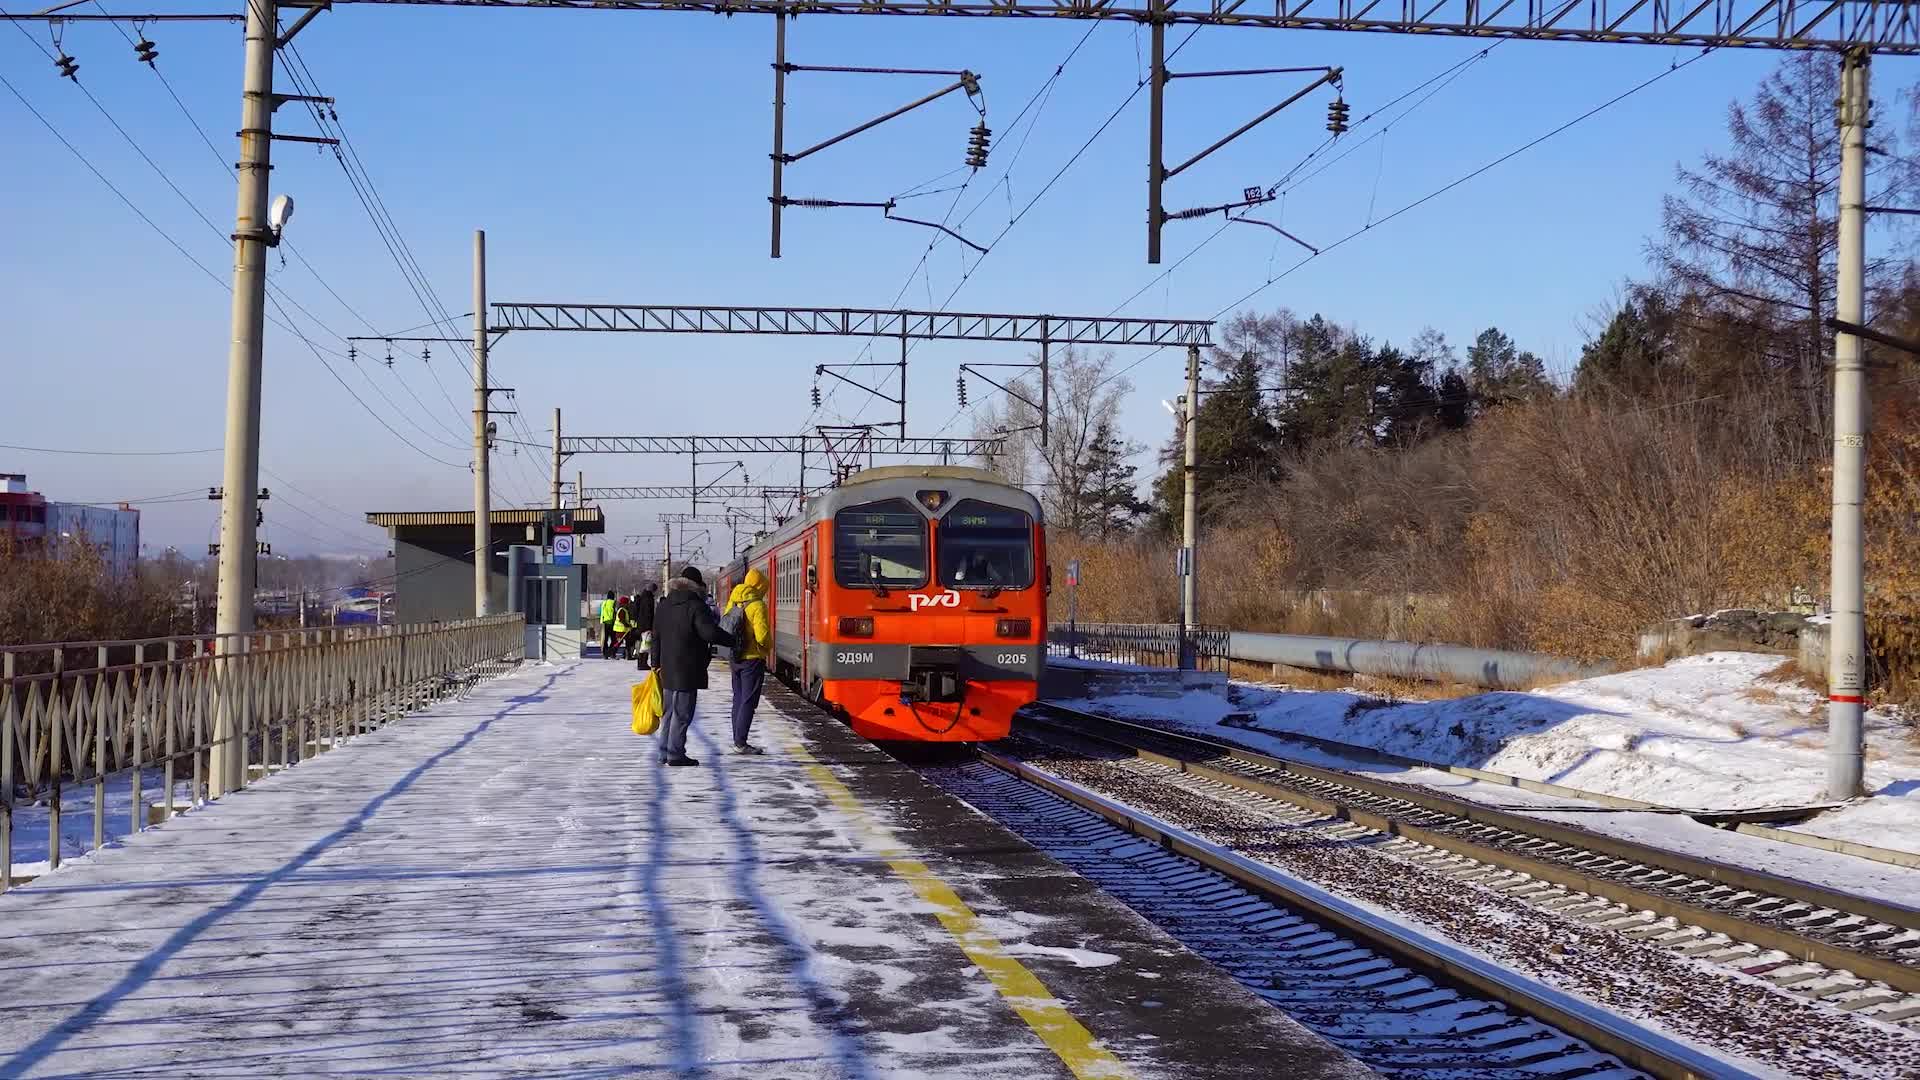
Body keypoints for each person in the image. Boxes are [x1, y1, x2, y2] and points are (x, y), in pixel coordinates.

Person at [649, 566, 734, 767]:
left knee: (669, 713)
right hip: (688, 667)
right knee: (682, 713)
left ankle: (664, 752)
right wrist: (732, 640)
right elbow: (709, 633)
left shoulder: (664, 605)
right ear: (697, 585)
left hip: (667, 667)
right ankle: (676, 754)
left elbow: (656, 637)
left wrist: (655, 663)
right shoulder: (696, 605)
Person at [723, 568, 773, 755]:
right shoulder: (757, 605)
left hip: (735, 657)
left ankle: (737, 739)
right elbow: (762, 636)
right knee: (748, 701)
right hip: (752, 659)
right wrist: (768, 647)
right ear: (760, 586)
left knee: (738, 698)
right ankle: (741, 743)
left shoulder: (734, 600)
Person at [632, 582, 658, 672]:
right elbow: (648, 613)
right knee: (646, 644)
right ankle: (643, 663)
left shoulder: (642, 597)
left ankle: (641, 662)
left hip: (640, 625)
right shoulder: (649, 599)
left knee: (643, 644)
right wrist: (650, 626)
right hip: (646, 625)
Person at [598, 590, 617, 659]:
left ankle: (605, 654)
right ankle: (612, 653)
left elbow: (600, 612)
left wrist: (601, 621)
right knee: (614, 639)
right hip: (612, 623)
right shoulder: (614, 603)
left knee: (605, 639)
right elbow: (615, 612)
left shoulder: (604, 603)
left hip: (605, 623)